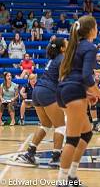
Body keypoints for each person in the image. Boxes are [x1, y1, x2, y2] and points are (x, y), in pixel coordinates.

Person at [56, 16, 100, 185]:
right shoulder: (90, 47)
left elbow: (75, 75)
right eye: (96, 25)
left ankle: (71, 176)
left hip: (68, 91)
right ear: (91, 29)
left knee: (86, 133)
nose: (98, 29)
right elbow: (86, 76)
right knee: (72, 139)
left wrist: (89, 94)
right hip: (73, 93)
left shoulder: (75, 46)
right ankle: (61, 181)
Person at [15, 37, 67, 167]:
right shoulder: (62, 59)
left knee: (45, 124)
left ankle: (30, 153)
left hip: (37, 91)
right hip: (48, 92)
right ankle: (56, 158)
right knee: (60, 126)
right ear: (62, 48)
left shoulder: (53, 59)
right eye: (66, 43)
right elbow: (63, 79)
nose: (68, 44)